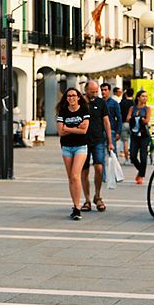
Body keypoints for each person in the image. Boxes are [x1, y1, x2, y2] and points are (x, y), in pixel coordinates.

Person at [57, 87, 90, 220]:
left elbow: (84, 131)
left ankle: (77, 208)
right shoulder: (63, 111)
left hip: (80, 147)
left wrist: (68, 128)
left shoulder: (84, 110)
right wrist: (76, 127)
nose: (71, 98)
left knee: (76, 175)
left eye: (73, 95)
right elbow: (60, 132)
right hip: (66, 147)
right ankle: (75, 205)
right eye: (69, 96)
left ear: (78, 97)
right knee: (71, 178)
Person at [80, 80, 113, 212]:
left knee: (99, 167)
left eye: (96, 91)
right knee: (84, 170)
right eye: (91, 91)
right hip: (82, 140)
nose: (94, 94)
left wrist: (110, 141)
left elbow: (106, 122)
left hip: (98, 139)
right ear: (85, 90)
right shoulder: (80, 102)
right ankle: (87, 199)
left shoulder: (101, 103)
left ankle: (97, 196)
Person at [126, 90, 152, 184]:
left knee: (143, 157)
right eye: (143, 96)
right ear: (138, 97)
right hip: (134, 134)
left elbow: (147, 120)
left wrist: (142, 119)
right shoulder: (132, 108)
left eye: (146, 96)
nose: (145, 98)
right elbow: (127, 118)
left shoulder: (147, 109)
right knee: (133, 156)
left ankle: (140, 175)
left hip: (144, 135)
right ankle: (141, 171)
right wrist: (134, 118)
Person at [104, 83, 122, 156]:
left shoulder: (114, 103)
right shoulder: (99, 102)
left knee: (112, 152)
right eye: (102, 90)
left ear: (109, 91)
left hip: (111, 129)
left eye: (105, 90)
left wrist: (118, 132)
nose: (103, 92)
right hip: (100, 130)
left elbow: (119, 118)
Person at [119, 88, 134, 163]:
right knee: (133, 142)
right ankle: (132, 158)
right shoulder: (134, 103)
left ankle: (126, 159)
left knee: (125, 142)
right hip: (133, 124)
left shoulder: (122, 103)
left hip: (124, 123)